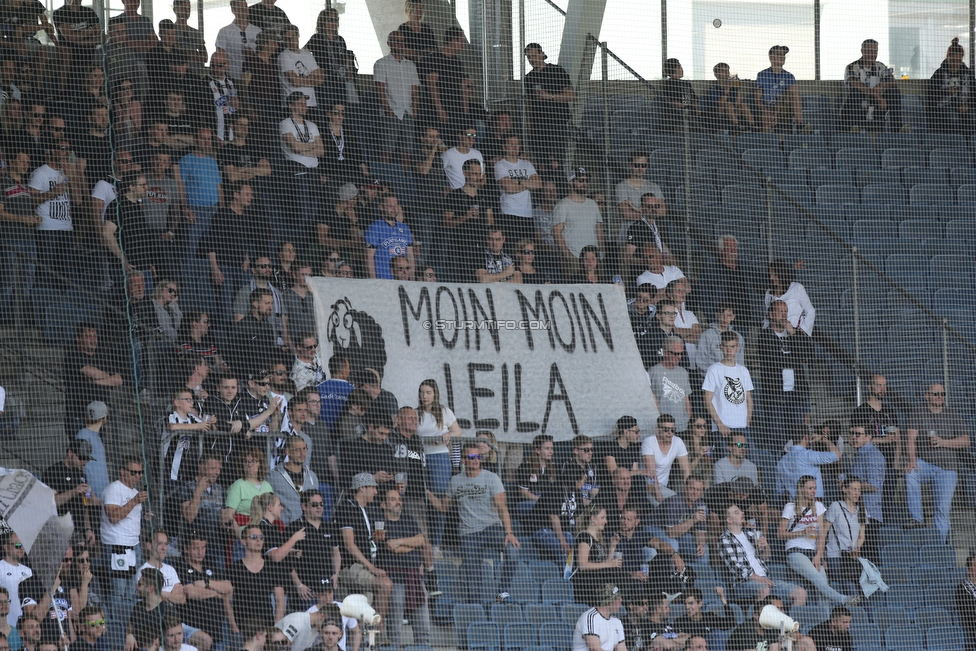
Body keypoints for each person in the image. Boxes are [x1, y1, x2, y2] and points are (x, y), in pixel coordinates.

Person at [428, 440, 521, 604]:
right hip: (468, 532)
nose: (476, 460)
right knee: (472, 572)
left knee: (513, 552)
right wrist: (426, 492)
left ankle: (503, 591)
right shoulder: (455, 481)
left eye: (478, 456)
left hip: (492, 528)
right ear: (463, 459)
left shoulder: (492, 478)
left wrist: (509, 533)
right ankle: (476, 608)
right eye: (471, 456)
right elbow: (443, 507)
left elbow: (502, 507)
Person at [778, 475, 858, 606]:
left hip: (813, 551)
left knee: (823, 585)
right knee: (817, 578)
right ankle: (843, 599)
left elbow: (822, 533)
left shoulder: (818, 506)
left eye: (815, 488)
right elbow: (780, 534)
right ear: (801, 489)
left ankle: (825, 621)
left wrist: (819, 555)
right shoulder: (790, 507)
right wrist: (802, 532)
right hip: (795, 550)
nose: (813, 491)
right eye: (810, 488)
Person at [905, 383, 969, 542]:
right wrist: (912, 461)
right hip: (925, 464)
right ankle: (916, 518)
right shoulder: (918, 412)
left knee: (942, 509)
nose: (940, 397)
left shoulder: (952, 414)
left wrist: (943, 442)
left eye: (942, 394)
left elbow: (966, 441)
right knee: (911, 472)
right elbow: (910, 438)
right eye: (935, 394)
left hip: (947, 469)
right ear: (927, 396)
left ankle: (939, 545)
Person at [335, 473, 393, 643]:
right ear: (362, 488)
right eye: (373, 487)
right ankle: (380, 632)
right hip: (351, 567)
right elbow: (349, 544)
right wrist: (372, 567)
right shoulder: (347, 507)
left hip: (362, 567)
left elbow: (360, 542)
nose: (376, 492)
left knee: (362, 613)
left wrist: (373, 539)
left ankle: (370, 641)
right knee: (385, 584)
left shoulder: (364, 509)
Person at [374, 489, 432, 649]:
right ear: (383, 504)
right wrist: (409, 544)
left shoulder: (408, 519)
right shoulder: (379, 524)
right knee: (394, 633)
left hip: (415, 580)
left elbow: (421, 539)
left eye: (399, 499)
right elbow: (391, 547)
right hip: (394, 580)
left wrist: (399, 542)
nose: (398, 501)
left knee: (424, 629)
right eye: (393, 499)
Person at [101, 457, 149, 648]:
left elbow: (127, 516)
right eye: (133, 472)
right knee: (118, 593)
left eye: (140, 472)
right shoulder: (115, 489)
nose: (137, 476)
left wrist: (143, 515)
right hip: (117, 547)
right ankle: (116, 636)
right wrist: (135, 501)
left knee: (131, 592)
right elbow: (113, 516)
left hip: (133, 547)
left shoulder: (134, 491)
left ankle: (130, 634)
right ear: (122, 471)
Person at [718, 505, 807, 606]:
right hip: (743, 584)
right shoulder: (724, 539)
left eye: (741, 511)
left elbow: (765, 557)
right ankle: (761, 620)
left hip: (766, 579)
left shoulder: (750, 533)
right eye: (737, 513)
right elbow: (737, 568)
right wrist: (760, 579)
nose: (742, 513)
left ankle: (791, 622)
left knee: (801, 593)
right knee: (764, 590)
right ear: (729, 520)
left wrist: (766, 546)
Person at [756, 299, 814, 450]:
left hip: (797, 393)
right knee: (776, 433)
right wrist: (794, 358)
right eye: (779, 312)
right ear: (770, 314)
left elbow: (807, 355)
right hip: (775, 393)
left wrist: (793, 333)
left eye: (785, 312)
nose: (783, 315)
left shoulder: (795, 333)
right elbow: (774, 360)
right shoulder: (765, 336)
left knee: (796, 432)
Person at [851, 375, 900, 523]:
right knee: (870, 506)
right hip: (869, 466)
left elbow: (897, 437)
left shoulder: (890, 411)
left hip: (889, 464)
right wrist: (882, 440)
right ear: (870, 387)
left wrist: (896, 463)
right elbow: (856, 440)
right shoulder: (860, 412)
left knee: (887, 505)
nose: (882, 389)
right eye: (878, 385)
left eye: (884, 386)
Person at [173, 532, 233, 646]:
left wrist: (207, 583)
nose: (200, 552)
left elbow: (228, 587)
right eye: (196, 548)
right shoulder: (178, 567)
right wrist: (217, 593)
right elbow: (190, 592)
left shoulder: (210, 564)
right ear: (186, 548)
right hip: (193, 632)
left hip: (217, 632)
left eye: (203, 548)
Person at [839, 39, 908, 132]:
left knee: (894, 92)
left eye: (876, 51)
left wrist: (881, 86)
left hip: (877, 104)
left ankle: (897, 129)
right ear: (862, 51)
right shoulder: (852, 67)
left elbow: (893, 82)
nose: (873, 54)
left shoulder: (880, 66)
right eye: (870, 51)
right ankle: (853, 128)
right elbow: (854, 84)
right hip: (857, 103)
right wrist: (878, 96)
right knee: (855, 93)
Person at [523, 43, 574, 169]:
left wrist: (550, 97)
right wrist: (529, 126)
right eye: (529, 57)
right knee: (541, 164)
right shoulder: (529, 78)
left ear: (541, 54)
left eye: (534, 55)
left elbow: (571, 95)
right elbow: (529, 104)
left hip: (557, 124)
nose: (532, 59)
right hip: (538, 126)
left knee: (556, 164)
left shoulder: (556, 71)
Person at [373, 30, 420, 167]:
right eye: (397, 41)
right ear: (389, 43)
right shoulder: (381, 63)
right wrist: (388, 110)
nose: (400, 44)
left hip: (407, 113)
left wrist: (414, 110)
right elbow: (380, 89)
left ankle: (404, 182)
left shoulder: (410, 65)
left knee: (407, 153)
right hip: (392, 113)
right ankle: (381, 182)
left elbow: (415, 90)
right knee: (387, 151)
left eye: (402, 41)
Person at [226, 525, 286, 631]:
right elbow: (227, 601)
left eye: (261, 537)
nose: (258, 540)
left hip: (266, 626)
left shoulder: (272, 567)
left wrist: (275, 628)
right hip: (242, 627)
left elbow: (280, 600)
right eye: (253, 537)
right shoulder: (234, 568)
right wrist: (234, 628)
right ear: (243, 541)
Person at [701, 331, 753, 444]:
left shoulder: (744, 371)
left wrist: (747, 422)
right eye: (726, 346)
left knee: (743, 458)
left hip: (742, 427)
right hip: (723, 428)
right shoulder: (714, 369)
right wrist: (719, 424)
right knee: (725, 459)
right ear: (720, 347)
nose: (729, 350)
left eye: (732, 346)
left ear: (738, 347)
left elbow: (749, 399)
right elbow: (707, 400)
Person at [553, 168, 604, 273]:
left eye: (586, 180)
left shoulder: (593, 204)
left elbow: (599, 229)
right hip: (574, 256)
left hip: (594, 257)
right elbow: (556, 232)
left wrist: (602, 251)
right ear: (571, 182)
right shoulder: (563, 205)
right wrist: (567, 255)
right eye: (581, 181)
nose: (584, 183)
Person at [420, 26, 470, 131]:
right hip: (440, 109)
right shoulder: (434, 58)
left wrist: (465, 111)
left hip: (457, 109)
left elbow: (463, 86)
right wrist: (440, 109)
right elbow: (432, 85)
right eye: (461, 42)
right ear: (453, 40)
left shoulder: (457, 62)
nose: (463, 45)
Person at [494, 134, 542, 244]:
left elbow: (539, 184)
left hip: (527, 214)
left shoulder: (527, 163)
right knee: (512, 247)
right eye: (511, 144)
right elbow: (509, 188)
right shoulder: (500, 165)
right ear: (504, 147)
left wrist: (519, 182)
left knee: (528, 248)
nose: (515, 147)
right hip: (509, 213)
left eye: (517, 144)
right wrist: (528, 183)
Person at [568, 505, 620, 606]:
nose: (606, 521)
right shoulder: (584, 536)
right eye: (602, 517)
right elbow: (582, 565)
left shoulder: (597, 540)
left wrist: (612, 547)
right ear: (593, 519)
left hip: (596, 585)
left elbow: (604, 564)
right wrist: (610, 564)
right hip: (584, 587)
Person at [848, 420, 885, 563]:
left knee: (869, 553)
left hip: (869, 513)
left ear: (868, 437)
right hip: (860, 512)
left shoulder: (872, 455)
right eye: (851, 434)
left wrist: (850, 485)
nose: (853, 437)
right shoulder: (860, 454)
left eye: (858, 434)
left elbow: (874, 485)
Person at [726, 595, 815, 651]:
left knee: (807, 641)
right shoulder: (745, 630)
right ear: (756, 616)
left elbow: (775, 647)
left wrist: (784, 637)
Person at [775, 427, 841, 500]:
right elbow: (837, 455)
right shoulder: (808, 455)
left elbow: (780, 489)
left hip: (792, 505)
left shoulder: (781, 461)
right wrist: (823, 439)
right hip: (811, 504)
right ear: (806, 437)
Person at [268, 435, 319, 525]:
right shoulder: (273, 476)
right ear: (288, 452)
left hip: (309, 529)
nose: (302, 453)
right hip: (285, 530)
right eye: (297, 450)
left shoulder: (312, 477)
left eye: (304, 449)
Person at [754, 45, 804, 133]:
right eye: (779, 54)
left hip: (782, 108)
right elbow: (757, 99)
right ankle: (769, 141)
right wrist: (766, 112)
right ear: (771, 57)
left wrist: (776, 112)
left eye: (783, 55)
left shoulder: (789, 76)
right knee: (765, 116)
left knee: (792, 90)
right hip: (767, 108)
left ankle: (800, 125)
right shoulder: (762, 74)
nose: (782, 57)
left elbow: (792, 97)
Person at [927, 38, 973, 133]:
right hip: (943, 108)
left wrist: (967, 105)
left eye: (958, 61)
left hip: (964, 107)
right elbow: (931, 96)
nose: (956, 64)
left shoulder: (969, 74)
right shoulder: (938, 74)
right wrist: (946, 92)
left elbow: (973, 94)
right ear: (948, 58)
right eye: (953, 61)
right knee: (951, 117)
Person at [648, 336, 693, 434]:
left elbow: (686, 399)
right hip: (663, 428)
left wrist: (688, 418)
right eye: (675, 353)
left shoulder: (683, 372)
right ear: (665, 352)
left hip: (682, 426)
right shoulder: (653, 372)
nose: (679, 357)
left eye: (681, 353)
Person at [365, 193, 415, 280]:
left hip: (402, 280)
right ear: (381, 207)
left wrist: (412, 280)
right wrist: (373, 281)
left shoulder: (404, 228)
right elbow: (369, 257)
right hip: (383, 281)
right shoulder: (375, 227)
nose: (394, 208)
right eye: (390, 205)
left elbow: (410, 256)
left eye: (396, 205)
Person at [763, 260, 815, 337]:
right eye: (770, 274)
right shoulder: (769, 293)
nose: (771, 277)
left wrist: (804, 329)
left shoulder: (796, 288)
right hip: (777, 335)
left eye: (774, 274)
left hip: (796, 332)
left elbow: (810, 310)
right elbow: (768, 315)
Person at [570, 584, 626, 651]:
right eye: (618, 598)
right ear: (610, 601)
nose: (621, 600)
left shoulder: (617, 622)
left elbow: (622, 649)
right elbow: (595, 649)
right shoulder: (590, 617)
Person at [659, 58, 700, 134]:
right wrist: (684, 108)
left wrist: (696, 110)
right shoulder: (669, 84)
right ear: (674, 69)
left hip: (690, 112)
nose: (682, 69)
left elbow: (694, 99)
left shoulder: (686, 83)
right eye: (679, 67)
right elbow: (672, 100)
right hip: (678, 114)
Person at [0, 533, 32, 627]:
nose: (22, 548)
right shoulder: (1, 567)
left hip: (26, 628)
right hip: (6, 626)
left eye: (23, 545)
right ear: (6, 547)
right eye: (18, 545)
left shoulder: (28, 571)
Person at [955, 552, 976, 651]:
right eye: (975, 565)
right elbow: (969, 610)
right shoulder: (962, 588)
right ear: (968, 570)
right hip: (971, 627)